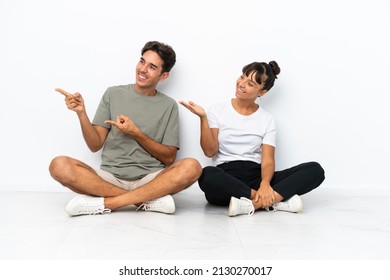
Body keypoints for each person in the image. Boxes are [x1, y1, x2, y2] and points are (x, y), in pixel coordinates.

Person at [49, 41, 202, 217]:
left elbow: (169, 158)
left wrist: (135, 133)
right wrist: (81, 113)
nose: (143, 69)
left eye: (152, 67)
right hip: (109, 178)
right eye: (142, 61)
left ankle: (108, 203)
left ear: (164, 76)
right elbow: (94, 145)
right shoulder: (113, 94)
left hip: (151, 179)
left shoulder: (169, 106)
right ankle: (145, 201)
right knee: (59, 165)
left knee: (193, 167)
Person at [180, 61, 325, 217]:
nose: (241, 84)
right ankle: (273, 201)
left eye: (249, 83)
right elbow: (210, 151)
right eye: (242, 77)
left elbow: (268, 160)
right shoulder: (217, 110)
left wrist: (265, 184)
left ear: (261, 92)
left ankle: (255, 203)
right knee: (207, 174)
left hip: (256, 177)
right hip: (226, 178)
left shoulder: (267, 119)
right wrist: (203, 118)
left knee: (315, 170)